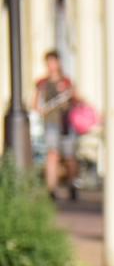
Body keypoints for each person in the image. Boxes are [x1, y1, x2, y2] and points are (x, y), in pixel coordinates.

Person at [33, 50, 78, 199]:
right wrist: (40, 109)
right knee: (52, 154)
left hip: (66, 122)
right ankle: (51, 189)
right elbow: (36, 104)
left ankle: (72, 184)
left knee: (70, 156)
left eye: (53, 62)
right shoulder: (42, 83)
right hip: (51, 122)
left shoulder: (66, 81)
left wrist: (68, 92)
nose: (51, 65)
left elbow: (75, 98)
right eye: (48, 62)